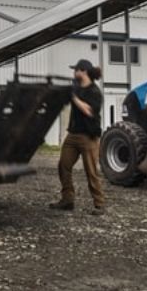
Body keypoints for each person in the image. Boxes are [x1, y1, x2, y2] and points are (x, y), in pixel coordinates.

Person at [50, 59, 105, 215]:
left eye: (76, 70)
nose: (74, 73)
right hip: (73, 135)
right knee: (63, 166)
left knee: (91, 171)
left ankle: (99, 204)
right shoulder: (76, 87)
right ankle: (67, 200)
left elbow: (88, 111)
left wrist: (73, 97)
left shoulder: (94, 92)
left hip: (88, 137)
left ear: (84, 71)